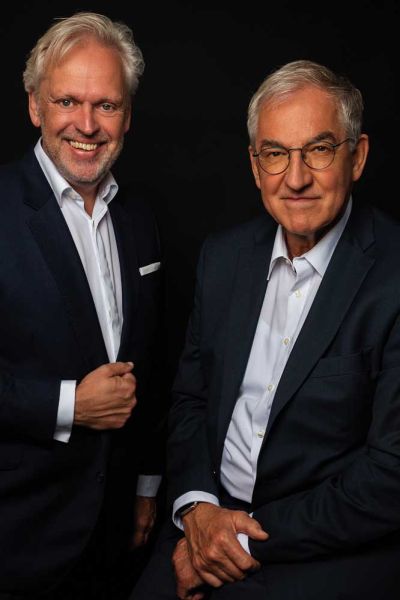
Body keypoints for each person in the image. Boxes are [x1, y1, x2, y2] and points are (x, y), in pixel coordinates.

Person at [131, 59, 400, 600]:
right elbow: (190, 400)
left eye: (318, 149)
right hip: (204, 519)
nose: (295, 178)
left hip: (320, 545)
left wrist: (238, 540)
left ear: (358, 156)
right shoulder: (223, 257)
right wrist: (196, 507)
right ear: (255, 167)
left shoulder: (392, 275)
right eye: (276, 154)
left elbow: (391, 474)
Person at [0, 11, 166, 600]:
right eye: (67, 101)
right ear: (34, 106)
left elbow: (154, 356)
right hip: (17, 537)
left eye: (106, 105)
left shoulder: (139, 217)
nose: (87, 125)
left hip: (114, 532)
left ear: (128, 114)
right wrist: (71, 405)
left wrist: (146, 487)